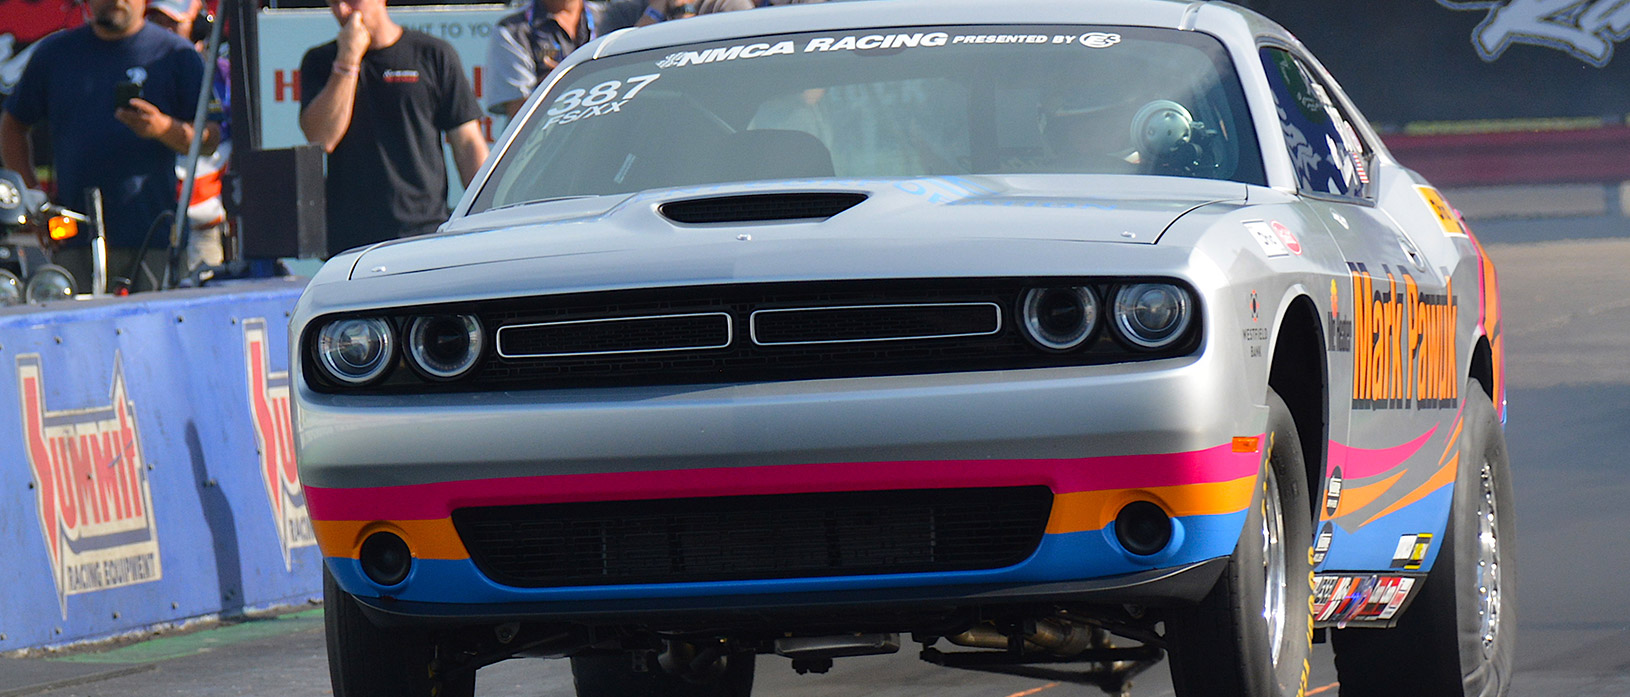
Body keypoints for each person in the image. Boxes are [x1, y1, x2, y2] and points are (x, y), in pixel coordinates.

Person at [0, 0, 217, 293]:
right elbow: (13, 125)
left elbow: (210, 139)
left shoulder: (176, 54)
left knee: (152, 334)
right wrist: (33, 199)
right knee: (76, 336)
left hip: (154, 238)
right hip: (74, 239)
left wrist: (164, 128)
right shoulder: (55, 54)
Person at [299, 0, 489, 256]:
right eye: (334, 3)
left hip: (425, 235)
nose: (342, 11)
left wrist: (489, 211)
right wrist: (347, 61)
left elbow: (467, 143)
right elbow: (322, 138)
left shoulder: (433, 54)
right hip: (351, 244)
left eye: (351, 1)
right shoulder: (320, 62)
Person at [484, 0, 677, 119]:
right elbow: (520, 113)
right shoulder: (512, 31)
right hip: (546, 154)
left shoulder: (613, 17)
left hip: (611, 139)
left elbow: (640, 68)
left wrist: (559, 80)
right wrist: (583, 77)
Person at [146, 0, 229, 272]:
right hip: (152, 224)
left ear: (200, 26)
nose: (164, 30)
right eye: (157, 20)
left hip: (204, 222)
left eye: (174, 22)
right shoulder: (141, 67)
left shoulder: (223, 74)